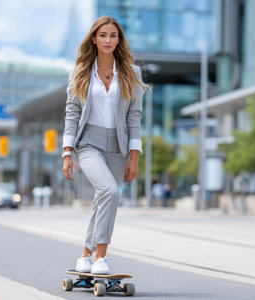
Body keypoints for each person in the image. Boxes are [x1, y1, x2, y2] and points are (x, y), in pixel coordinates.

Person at [62, 16, 149, 275]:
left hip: (119, 144)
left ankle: (85, 254)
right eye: (103, 35)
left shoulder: (132, 73)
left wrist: (134, 155)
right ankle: (101, 257)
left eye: (113, 35)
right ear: (94, 39)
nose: (108, 40)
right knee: (110, 191)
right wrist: (67, 151)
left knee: (104, 198)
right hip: (89, 142)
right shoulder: (80, 72)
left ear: (119, 40)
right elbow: (72, 112)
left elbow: (134, 116)